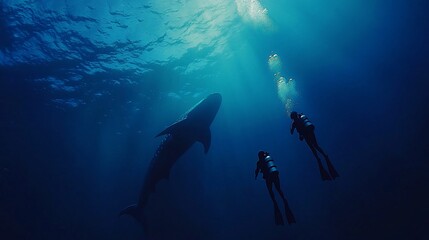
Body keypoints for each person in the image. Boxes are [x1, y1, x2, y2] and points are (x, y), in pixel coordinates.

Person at [290, 111, 339, 180]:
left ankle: (318, 158)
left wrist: (292, 126)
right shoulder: (301, 118)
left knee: (312, 147)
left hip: (305, 134)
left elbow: (292, 132)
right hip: (310, 131)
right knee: (316, 145)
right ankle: (325, 155)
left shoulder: (294, 123)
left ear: (292, 117)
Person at [255, 151, 295, 225]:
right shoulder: (268, 158)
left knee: (271, 191)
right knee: (278, 189)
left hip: (268, 177)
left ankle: (275, 203)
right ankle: (284, 199)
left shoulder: (259, 162)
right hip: (274, 174)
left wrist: (255, 176)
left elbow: (257, 170)